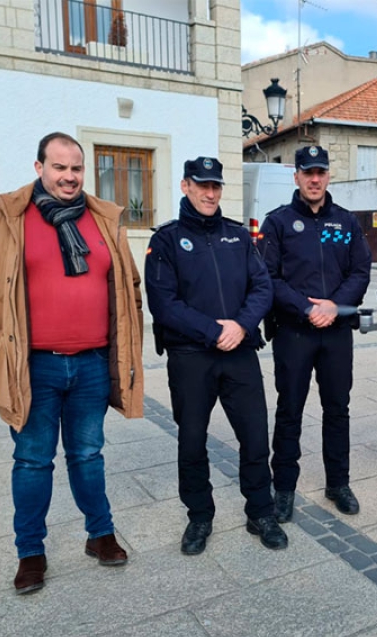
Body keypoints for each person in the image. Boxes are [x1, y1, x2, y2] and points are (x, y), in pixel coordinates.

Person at [0, 132, 144, 595]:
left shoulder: (103, 221)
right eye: (59, 167)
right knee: (33, 460)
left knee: (88, 454)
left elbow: (128, 288)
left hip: (93, 364)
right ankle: (30, 553)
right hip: (32, 365)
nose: (69, 176)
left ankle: (100, 536)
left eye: (76, 168)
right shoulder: (3, 221)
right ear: (39, 168)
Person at [145, 156, 288, 555]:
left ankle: (260, 511)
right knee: (192, 440)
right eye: (202, 185)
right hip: (191, 356)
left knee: (256, 438)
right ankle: (199, 515)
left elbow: (262, 288)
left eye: (216, 186)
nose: (210, 193)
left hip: (239, 352)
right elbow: (164, 303)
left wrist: (240, 327)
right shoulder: (166, 241)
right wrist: (213, 331)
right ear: (185, 185)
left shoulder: (238, 237)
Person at [259, 145, 372, 522]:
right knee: (290, 410)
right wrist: (307, 307)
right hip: (294, 332)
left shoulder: (346, 222)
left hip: (336, 331)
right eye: (307, 172)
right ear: (296, 176)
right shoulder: (276, 222)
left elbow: (359, 271)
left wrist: (333, 306)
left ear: (328, 175)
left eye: (320, 172)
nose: (314, 179)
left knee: (338, 409)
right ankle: (284, 488)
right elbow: (268, 278)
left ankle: (338, 482)